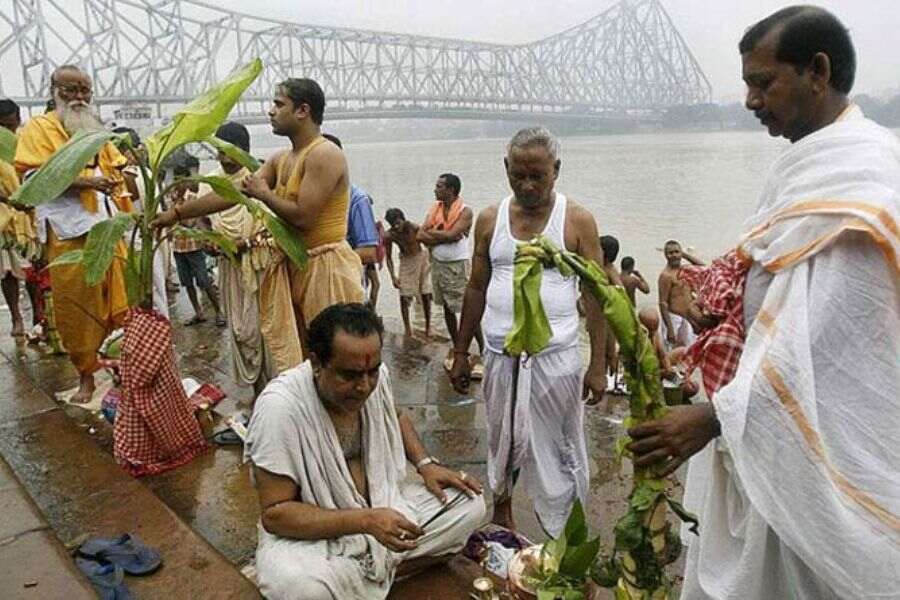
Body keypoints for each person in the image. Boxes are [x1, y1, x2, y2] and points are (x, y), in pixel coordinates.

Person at [628, 7, 899, 599]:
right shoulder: (814, 166)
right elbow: (780, 293)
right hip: (771, 425)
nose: (750, 100)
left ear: (818, 72)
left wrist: (712, 418)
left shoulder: (859, 185)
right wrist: (717, 316)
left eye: (762, 82)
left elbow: (820, 342)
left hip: (821, 445)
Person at [245, 303, 486, 599]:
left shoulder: (376, 377)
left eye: (372, 372)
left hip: (386, 504)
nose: (364, 386)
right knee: (302, 587)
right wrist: (365, 521)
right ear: (317, 363)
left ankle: (372, 572)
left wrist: (425, 464)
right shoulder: (280, 408)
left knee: (470, 503)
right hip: (318, 537)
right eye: (349, 375)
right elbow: (276, 514)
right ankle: (374, 570)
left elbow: (395, 416)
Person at [449, 127, 608, 536]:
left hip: (556, 359)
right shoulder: (490, 218)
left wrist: (599, 365)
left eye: (538, 176)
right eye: (518, 175)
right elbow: (475, 287)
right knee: (501, 437)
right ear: (506, 168)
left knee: (561, 446)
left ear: (557, 170)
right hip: (501, 355)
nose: (528, 185)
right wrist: (461, 351)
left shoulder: (577, 221)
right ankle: (501, 513)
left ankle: (563, 528)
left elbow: (596, 296)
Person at [154, 78, 363, 369]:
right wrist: (176, 214)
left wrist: (264, 194)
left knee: (337, 357)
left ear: (303, 110)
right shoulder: (281, 159)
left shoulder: (324, 153)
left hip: (325, 268)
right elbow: (232, 193)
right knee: (304, 359)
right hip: (294, 264)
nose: (270, 111)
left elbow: (304, 216)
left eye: (279, 104)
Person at [15, 65, 130, 403]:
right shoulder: (37, 128)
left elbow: (118, 166)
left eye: (85, 91)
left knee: (120, 306)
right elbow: (34, 178)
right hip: (69, 233)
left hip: (108, 228)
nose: (79, 98)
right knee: (77, 309)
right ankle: (86, 379)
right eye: (71, 90)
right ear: (54, 91)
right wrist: (88, 182)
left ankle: (121, 374)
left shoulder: (95, 128)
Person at [203, 121, 274, 395]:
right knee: (240, 331)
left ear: (244, 150)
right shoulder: (211, 183)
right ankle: (257, 392)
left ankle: (272, 393)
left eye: (230, 152)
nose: (224, 158)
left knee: (262, 331)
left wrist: (245, 243)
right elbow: (204, 223)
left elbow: (276, 229)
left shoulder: (260, 179)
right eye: (219, 151)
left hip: (260, 268)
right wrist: (211, 243)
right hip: (230, 270)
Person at [417, 173, 484, 370]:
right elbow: (420, 234)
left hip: (456, 266)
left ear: (451, 190)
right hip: (438, 264)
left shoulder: (465, 211)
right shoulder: (434, 210)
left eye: (439, 187)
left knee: (466, 308)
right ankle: (458, 347)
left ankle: (482, 348)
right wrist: (442, 236)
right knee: (446, 306)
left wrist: (436, 235)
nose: (435, 189)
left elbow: (454, 235)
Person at [321, 133, 381, 306]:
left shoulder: (357, 200)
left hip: (344, 285)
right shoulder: (309, 198)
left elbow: (369, 252)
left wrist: (323, 262)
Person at [170, 166, 224, 327]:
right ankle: (198, 313)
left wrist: (175, 215)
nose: (177, 184)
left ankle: (219, 312)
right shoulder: (172, 197)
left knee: (204, 281)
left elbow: (189, 221)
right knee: (186, 282)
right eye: (175, 180)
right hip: (178, 246)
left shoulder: (193, 198)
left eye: (180, 180)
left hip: (193, 246)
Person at [0, 98, 36, 338]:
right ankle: (16, 317)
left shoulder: (26, 141)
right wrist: (9, 200)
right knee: (8, 273)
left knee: (34, 272)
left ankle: (40, 317)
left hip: (30, 214)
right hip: (4, 218)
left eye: (9, 125)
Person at [384, 208, 432, 338]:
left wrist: (433, 260)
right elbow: (388, 257)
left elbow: (428, 242)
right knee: (404, 294)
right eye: (393, 224)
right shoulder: (390, 235)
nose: (397, 226)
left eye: (398, 222)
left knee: (425, 293)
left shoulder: (413, 227)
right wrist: (393, 276)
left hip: (421, 257)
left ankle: (428, 328)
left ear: (403, 219)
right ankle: (407, 329)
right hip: (406, 260)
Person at [657, 239, 704, 349]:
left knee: (690, 350)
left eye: (677, 252)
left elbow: (704, 268)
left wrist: (685, 255)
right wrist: (669, 329)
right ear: (665, 255)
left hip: (688, 317)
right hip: (673, 318)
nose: (674, 255)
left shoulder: (686, 270)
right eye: (670, 253)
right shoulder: (666, 275)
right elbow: (663, 303)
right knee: (672, 350)